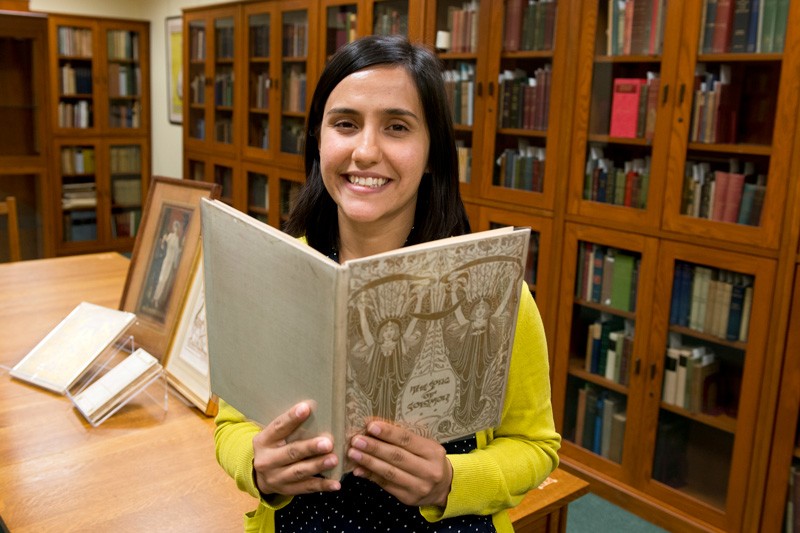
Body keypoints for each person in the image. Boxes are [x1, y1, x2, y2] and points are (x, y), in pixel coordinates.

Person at [213, 35, 560, 532]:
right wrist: (256, 465)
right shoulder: (271, 278)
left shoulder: (494, 291)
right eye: (345, 124)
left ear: (433, 153)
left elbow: (535, 446)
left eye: (397, 127)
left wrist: (450, 480)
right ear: (318, 139)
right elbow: (232, 424)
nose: (365, 151)